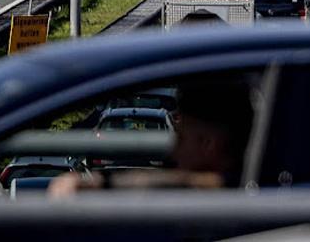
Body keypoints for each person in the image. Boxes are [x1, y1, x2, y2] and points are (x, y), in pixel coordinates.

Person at [49, 78, 254, 197]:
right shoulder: (253, 185)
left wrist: (99, 184)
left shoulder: (235, 194)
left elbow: (191, 182)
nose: (174, 149)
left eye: (180, 139)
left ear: (208, 144)